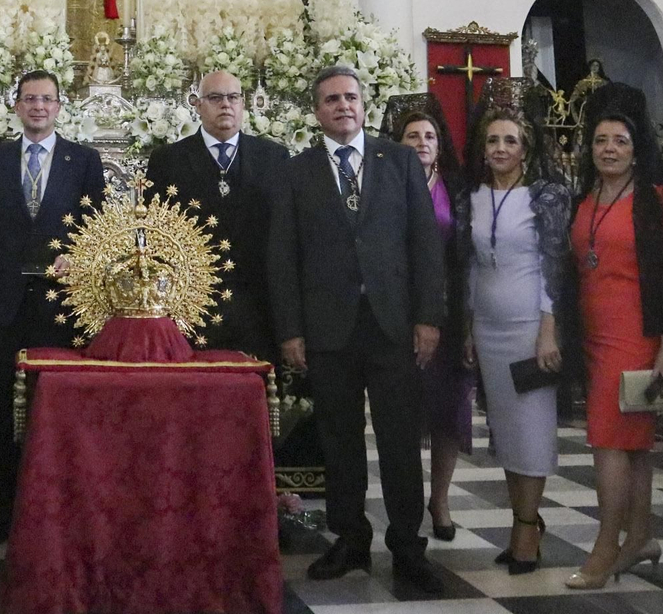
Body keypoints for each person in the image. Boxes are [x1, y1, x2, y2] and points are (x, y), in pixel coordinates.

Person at [266, 65, 445, 592]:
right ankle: (350, 540)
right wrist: (291, 330)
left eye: (350, 98)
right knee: (339, 441)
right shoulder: (296, 172)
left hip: (393, 325)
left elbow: (424, 245)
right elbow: (283, 255)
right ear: (317, 112)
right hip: (328, 330)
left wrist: (428, 317)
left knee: (398, 442)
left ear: (363, 106)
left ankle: (408, 546)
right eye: (330, 100)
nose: (342, 106)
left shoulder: (401, 160)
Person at [0, 70, 105, 551]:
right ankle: (1, 514)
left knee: (57, 411)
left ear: (60, 106)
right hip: (2, 305)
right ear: (17, 105)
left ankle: (57, 516)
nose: (38, 106)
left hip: (60, 306)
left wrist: (81, 255)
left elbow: (98, 227)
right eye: (30, 99)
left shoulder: (83, 160)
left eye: (47, 99)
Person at [563, 85, 663, 590]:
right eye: (600, 141)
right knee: (632, 447)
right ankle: (642, 536)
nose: (608, 149)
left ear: (637, 149)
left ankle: (605, 546)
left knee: (607, 441)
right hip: (593, 336)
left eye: (619, 141)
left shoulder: (655, 200)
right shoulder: (585, 198)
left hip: (635, 335)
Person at [459, 107, 570, 574]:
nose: (500, 149)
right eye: (492, 141)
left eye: (509, 141)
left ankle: (528, 529)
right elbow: (469, 266)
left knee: (532, 431)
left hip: (529, 329)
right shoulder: (474, 197)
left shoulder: (545, 197)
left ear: (526, 149)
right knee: (505, 433)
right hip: (486, 326)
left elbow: (555, 265)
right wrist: (467, 326)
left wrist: (549, 329)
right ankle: (521, 523)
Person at [146, 70, 288, 359]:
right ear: (197, 105)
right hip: (193, 305)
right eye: (215, 97)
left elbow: (284, 233)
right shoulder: (168, 160)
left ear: (243, 104)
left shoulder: (273, 157)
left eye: (233, 97)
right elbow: (154, 233)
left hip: (258, 303)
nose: (226, 105)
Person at [391, 108, 474, 543]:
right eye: (412, 136)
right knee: (403, 414)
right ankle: (406, 502)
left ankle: (439, 499)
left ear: (440, 146)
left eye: (429, 136)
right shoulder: (386, 187)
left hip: (448, 312)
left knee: (448, 412)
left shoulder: (455, 190)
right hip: (398, 313)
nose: (421, 142)